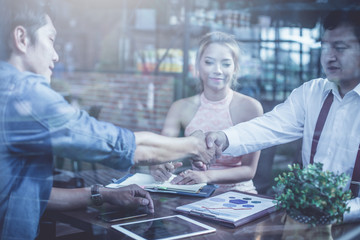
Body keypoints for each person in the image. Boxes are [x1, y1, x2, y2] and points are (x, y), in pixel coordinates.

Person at [0, 0, 216, 239]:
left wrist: (102, 194)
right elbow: (121, 147)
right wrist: (192, 145)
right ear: (21, 38)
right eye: (50, 39)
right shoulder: (24, 94)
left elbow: (26, 194)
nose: (56, 55)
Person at [205, 11, 360, 223]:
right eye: (324, 46)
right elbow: (270, 126)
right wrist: (224, 138)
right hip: (306, 226)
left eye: (340, 48)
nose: (329, 56)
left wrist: (336, 211)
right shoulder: (312, 93)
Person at [150, 32, 263, 193]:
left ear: (235, 68)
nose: (217, 70)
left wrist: (207, 176)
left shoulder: (250, 108)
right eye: (209, 62)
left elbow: (249, 170)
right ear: (198, 66)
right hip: (194, 191)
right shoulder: (180, 107)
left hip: (237, 195)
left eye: (225, 64)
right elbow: (163, 151)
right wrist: (158, 166)